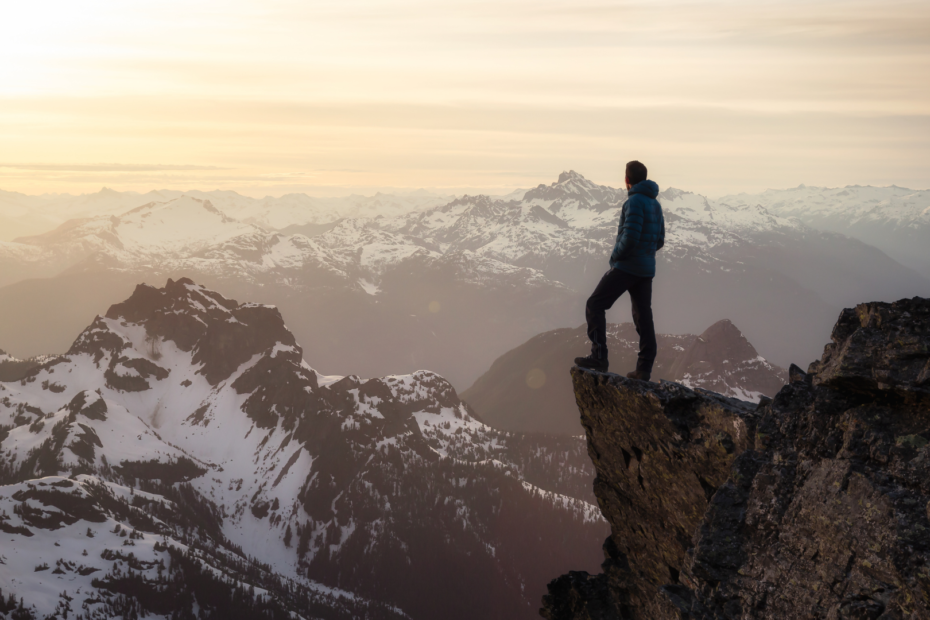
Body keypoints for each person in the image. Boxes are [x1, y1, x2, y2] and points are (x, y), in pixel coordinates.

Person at [574, 160, 665, 380]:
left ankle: (599, 357)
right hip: (646, 270)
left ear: (627, 179)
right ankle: (644, 369)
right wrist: (646, 255)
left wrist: (616, 256)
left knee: (594, 304)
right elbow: (660, 240)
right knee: (643, 317)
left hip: (626, 267)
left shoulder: (633, 202)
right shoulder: (655, 204)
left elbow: (630, 237)